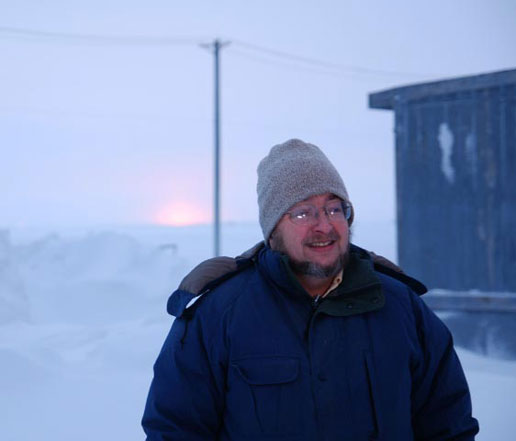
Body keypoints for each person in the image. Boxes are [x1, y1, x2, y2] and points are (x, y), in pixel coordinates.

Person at [142, 139, 479, 440]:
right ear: (274, 230)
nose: (325, 225)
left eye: (335, 208)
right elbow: (174, 431)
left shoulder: (399, 305)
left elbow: (448, 424)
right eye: (303, 213)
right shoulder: (219, 314)